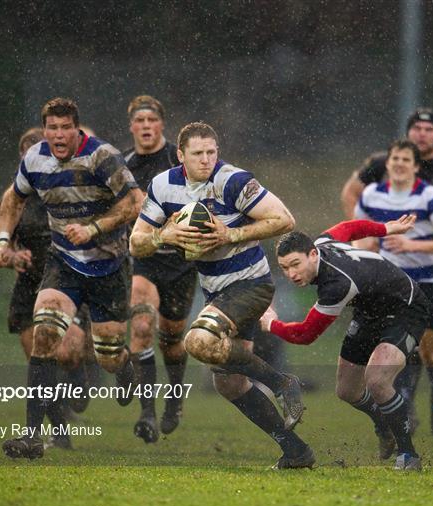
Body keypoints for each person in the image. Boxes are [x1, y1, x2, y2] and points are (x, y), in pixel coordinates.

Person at [131, 122, 313, 469]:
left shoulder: (234, 181)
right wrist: (164, 235)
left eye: (211, 152)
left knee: (196, 342)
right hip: (216, 291)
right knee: (229, 384)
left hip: (252, 285)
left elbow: (284, 219)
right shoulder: (163, 186)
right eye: (198, 154)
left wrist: (231, 234)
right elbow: (136, 243)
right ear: (180, 154)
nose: (206, 160)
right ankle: (296, 451)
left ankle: (281, 382)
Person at [0, 98, 144, 459]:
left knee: (107, 353)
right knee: (44, 333)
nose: (59, 135)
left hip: (109, 265)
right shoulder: (34, 160)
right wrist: (1, 242)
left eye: (65, 128)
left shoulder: (101, 157)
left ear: (77, 129)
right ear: (45, 130)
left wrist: (94, 227)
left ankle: (123, 368)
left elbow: (135, 202)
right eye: (52, 128)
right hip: (63, 264)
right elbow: (13, 200)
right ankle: (31, 436)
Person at [260, 215, 430, 470]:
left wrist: (271, 323)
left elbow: (306, 334)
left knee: (377, 381)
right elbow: (349, 227)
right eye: (284, 268)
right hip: (369, 312)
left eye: (296, 264)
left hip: (406, 309)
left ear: (313, 255)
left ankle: (408, 455)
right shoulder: (324, 242)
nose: (292, 274)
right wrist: (386, 228)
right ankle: (385, 424)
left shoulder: (337, 285)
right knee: (347, 391)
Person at [0, 127, 96, 450]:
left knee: (65, 353)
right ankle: (58, 433)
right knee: (39, 360)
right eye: (27, 155)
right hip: (28, 289)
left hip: (66, 283)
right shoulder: (13, 200)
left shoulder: (68, 192)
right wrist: (10, 256)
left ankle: (81, 373)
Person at [354, 139, 433, 438]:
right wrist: (367, 248)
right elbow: (358, 236)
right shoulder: (371, 195)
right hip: (395, 286)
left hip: (430, 283)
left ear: (416, 166)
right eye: (395, 159)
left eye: (406, 159)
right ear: (387, 164)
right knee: (402, 348)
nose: (400, 164)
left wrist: (411, 244)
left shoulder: (430, 197)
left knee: (430, 353)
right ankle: (406, 408)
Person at [123, 95, 197, 443]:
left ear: (162, 125)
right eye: (140, 121)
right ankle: (147, 414)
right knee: (140, 326)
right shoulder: (123, 167)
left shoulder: (178, 161)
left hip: (181, 262)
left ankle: (175, 396)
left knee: (171, 340)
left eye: (152, 120)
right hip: (144, 260)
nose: (146, 126)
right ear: (132, 127)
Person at [341, 108, 433, 225]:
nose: (422, 134)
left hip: (429, 248)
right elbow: (350, 193)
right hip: (384, 246)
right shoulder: (382, 162)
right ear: (408, 132)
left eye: (429, 129)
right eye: (417, 128)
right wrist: (363, 233)